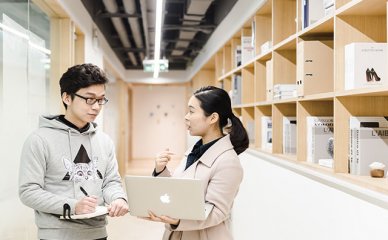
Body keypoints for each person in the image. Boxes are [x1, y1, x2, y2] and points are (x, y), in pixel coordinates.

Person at [19, 63, 129, 240]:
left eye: (101, 99)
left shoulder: (104, 141)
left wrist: (118, 199)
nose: (96, 107)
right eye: (89, 99)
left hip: (98, 233)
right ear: (67, 98)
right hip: (56, 235)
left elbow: (111, 182)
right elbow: (28, 192)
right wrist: (73, 205)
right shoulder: (39, 140)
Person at [147, 86, 249, 240]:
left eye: (192, 111)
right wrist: (161, 170)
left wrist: (179, 220)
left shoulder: (228, 162)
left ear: (213, 118)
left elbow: (218, 212)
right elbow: (178, 191)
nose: (186, 117)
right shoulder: (194, 150)